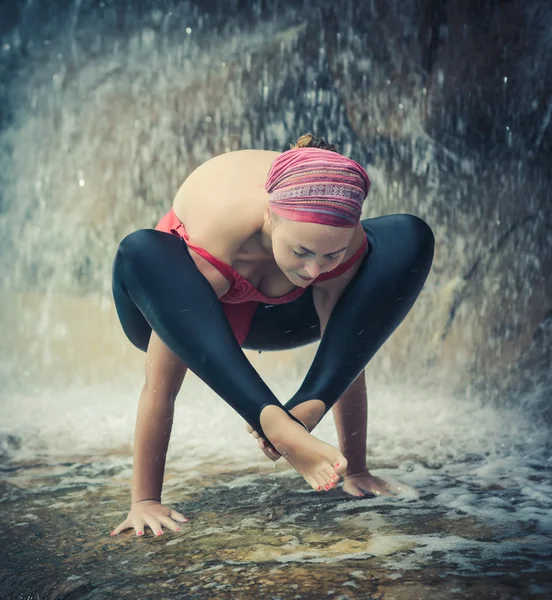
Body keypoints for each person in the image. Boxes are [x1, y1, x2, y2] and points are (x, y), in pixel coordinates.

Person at [109, 134, 434, 538]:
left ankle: (299, 415)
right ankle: (273, 421)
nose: (315, 270)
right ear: (270, 217)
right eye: (301, 252)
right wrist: (144, 501)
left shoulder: (340, 242)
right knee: (143, 250)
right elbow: (158, 387)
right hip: (178, 311)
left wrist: (357, 469)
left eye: (328, 256)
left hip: (281, 318)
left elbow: (349, 348)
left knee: (408, 236)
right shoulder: (217, 230)